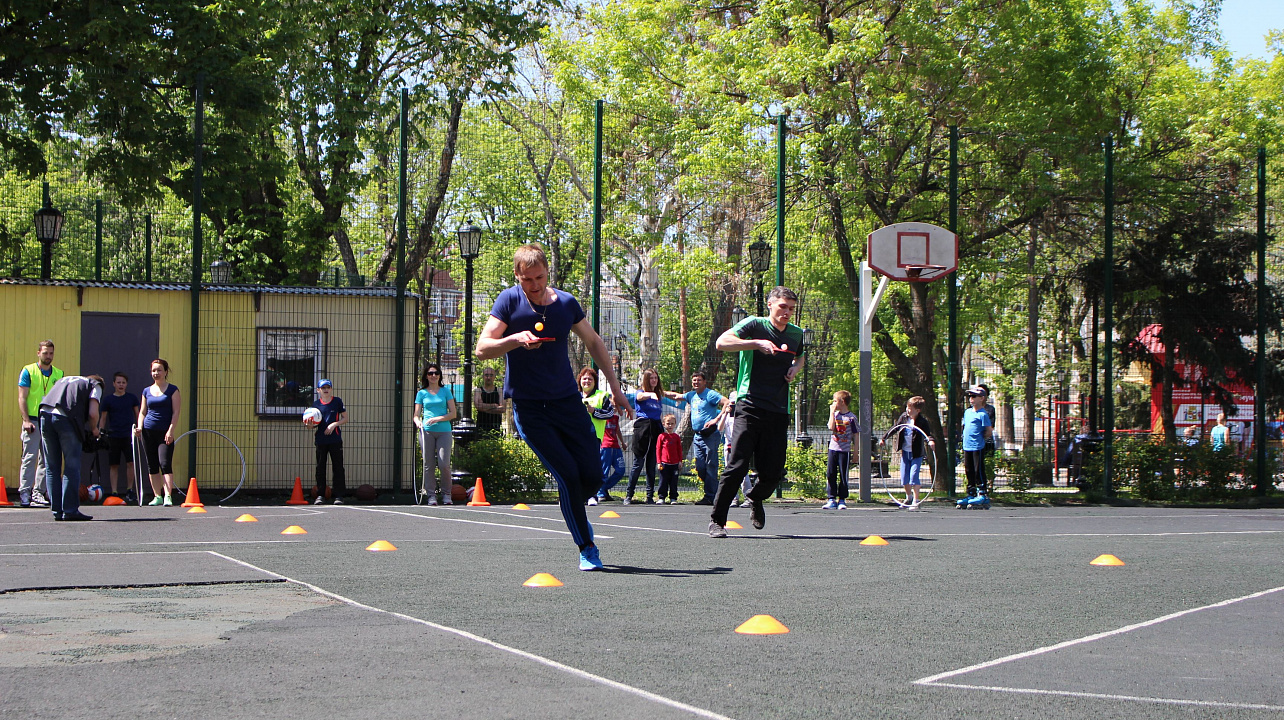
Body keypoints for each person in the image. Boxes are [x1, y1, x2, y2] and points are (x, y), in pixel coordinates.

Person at [475, 243, 631, 571]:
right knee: (569, 476)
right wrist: (515, 339)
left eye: (540, 277)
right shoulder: (508, 301)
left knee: (592, 475)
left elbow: (594, 342)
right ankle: (587, 547)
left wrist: (616, 389)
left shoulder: (566, 304)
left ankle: (575, 508)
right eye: (527, 279)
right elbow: (483, 347)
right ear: (517, 276)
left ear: (548, 272)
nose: (534, 285)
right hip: (530, 409)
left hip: (568, 403)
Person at [709, 287, 806, 538]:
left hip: (778, 409)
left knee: (774, 472)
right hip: (749, 405)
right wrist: (755, 343)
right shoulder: (754, 325)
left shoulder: (796, 334)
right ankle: (717, 521)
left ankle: (755, 497)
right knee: (737, 465)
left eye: (791, 309)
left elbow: (800, 357)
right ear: (770, 304)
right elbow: (721, 342)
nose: (787, 312)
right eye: (782, 306)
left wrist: (795, 368)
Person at [39, 374, 104, 521]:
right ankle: (70, 510)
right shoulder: (96, 384)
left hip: (44, 414)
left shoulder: (67, 379)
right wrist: (94, 429)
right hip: (65, 417)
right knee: (71, 465)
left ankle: (57, 511)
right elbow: (93, 413)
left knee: (52, 467)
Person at [667, 372, 728, 505]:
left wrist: (716, 419)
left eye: (699, 380)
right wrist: (658, 391)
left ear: (704, 382)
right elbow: (676, 396)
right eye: (694, 380)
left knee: (711, 465)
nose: (696, 382)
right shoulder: (691, 395)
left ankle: (711, 496)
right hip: (698, 436)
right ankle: (714, 490)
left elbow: (726, 402)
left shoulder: (710, 394)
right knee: (700, 467)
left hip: (710, 435)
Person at [17, 340, 61, 508]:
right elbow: (22, 397)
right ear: (38, 353)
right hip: (33, 420)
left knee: (47, 458)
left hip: (49, 420)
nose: (48, 356)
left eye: (51, 353)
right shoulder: (28, 371)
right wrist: (26, 420)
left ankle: (39, 492)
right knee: (29, 457)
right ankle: (25, 492)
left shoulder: (58, 373)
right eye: (45, 353)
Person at [624, 368, 677, 505]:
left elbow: (670, 394)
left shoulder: (658, 394)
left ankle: (649, 496)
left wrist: (682, 396)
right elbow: (639, 397)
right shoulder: (641, 392)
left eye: (655, 378)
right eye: (651, 378)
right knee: (638, 463)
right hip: (643, 428)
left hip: (656, 428)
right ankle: (629, 495)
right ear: (646, 380)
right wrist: (650, 394)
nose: (654, 380)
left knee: (652, 464)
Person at [134, 359, 181, 506]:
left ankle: (168, 495)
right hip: (148, 432)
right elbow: (142, 412)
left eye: (159, 370)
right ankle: (157, 496)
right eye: (154, 370)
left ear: (165, 372)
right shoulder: (146, 391)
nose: (156, 373)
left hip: (164, 433)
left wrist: (171, 431)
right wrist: (139, 427)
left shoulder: (173, 390)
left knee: (165, 463)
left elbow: (176, 412)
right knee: (152, 464)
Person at [413, 364, 456, 505]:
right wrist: (418, 422)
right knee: (428, 464)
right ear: (426, 376)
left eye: (436, 373)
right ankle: (431, 495)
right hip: (426, 432)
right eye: (430, 373)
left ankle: (446, 494)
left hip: (444, 431)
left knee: (444, 464)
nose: (433, 376)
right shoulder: (421, 393)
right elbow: (416, 415)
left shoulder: (445, 391)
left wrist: (438, 418)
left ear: (440, 375)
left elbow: (453, 413)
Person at [881, 396, 935, 506]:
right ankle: (909, 497)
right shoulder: (904, 417)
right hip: (905, 452)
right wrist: (884, 438)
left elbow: (927, 434)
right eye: (907, 407)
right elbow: (895, 427)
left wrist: (931, 441)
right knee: (904, 477)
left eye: (910, 408)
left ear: (917, 410)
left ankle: (916, 500)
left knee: (913, 476)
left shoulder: (922, 421)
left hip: (916, 453)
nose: (907, 410)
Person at [98, 372, 140, 503]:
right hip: (113, 436)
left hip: (129, 435)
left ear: (126, 384)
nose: (121, 385)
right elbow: (103, 418)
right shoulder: (108, 400)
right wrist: (100, 433)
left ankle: (129, 490)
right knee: (114, 464)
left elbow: (138, 414)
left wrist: (139, 429)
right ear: (114, 384)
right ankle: (114, 491)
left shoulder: (132, 398)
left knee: (130, 463)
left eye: (123, 382)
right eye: (118, 382)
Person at [578, 367, 617, 506]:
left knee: (591, 467)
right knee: (576, 467)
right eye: (584, 378)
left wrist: (594, 411)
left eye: (590, 379)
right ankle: (577, 495)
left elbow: (610, 413)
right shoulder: (574, 396)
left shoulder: (602, 396)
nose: (587, 381)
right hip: (576, 436)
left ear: (594, 382)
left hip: (593, 437)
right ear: (580, 381)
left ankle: (591, 495)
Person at [309, 379, 349, 504]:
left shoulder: (337, 401)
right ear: (318, 390)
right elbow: (312, 425)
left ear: (331, 389)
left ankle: (339, 496)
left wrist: (334, 425)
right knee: (320, 467)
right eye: (323, 388)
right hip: (321, 440)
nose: (326, 390)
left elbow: (345, 418)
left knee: (338, 467)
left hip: (335, 439)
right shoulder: (315, 405)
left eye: (328, 387)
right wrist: (309, 425)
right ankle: (320, 495)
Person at [823, 390, 858, 509]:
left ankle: (842, 499)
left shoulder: (851, 417)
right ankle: (831, 498)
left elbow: (856, 435)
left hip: (844, 450)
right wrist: (832, 413)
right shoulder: (835, 415)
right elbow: (831, 427)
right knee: (831, 473)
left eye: (835, 401)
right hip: (833, 449)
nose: (833, 403)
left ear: (842, 402)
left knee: (843, 475)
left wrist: (856, 452)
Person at [962, 385, 993, 498]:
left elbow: (988, 431)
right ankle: (971, 491)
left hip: (977, 446)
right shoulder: (967, 412)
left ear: (981, 398)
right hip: (967, 445)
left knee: (977, 469)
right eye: (970, 396)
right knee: (968, 469)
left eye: (974, 396)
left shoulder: (983, 414)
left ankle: (982, 491)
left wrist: (980, 438)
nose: (971, 399)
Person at [656, 413, 683, 504]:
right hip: (664, 463)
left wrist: (680, 461)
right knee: (663, 481)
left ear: (675, 424)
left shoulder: (676, 437)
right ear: (664, 424)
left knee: (673, 481)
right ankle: (662, 497)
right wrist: (659, 462)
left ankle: (673, 498)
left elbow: (679, 450)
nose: (670, 425)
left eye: (672, 423)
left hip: (674, 464)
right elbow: (658, 449)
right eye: (668, 423)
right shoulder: (661, 436)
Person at [474, 366, 505, 435]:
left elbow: (502, 409)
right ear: (483, 376)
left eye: (491, 375)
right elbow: (478, 406)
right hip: (481, 427)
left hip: (496, 427)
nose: (489, 377)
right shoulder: (478, 391)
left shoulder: (499, 391)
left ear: (494, 377)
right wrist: (494, 406)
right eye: (486, 375)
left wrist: (484, 408)